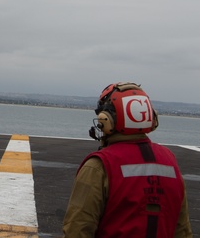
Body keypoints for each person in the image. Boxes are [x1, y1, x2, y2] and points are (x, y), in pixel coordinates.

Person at [63, 82, 192, 238]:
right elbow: (182, 230)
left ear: (107, 120)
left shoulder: (98, 166)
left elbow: (77, 230)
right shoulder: (170, 162)